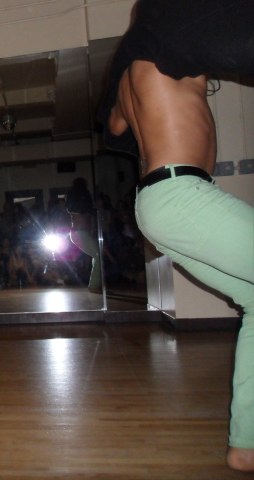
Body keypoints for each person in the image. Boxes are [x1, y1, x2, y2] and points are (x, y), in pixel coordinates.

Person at [99, 0, 254, 471]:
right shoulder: (167, 42)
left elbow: (115, 125)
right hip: (181, 192)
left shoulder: (134, 72)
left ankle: (246, 444)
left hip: (159, 200)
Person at [65, 177, 101, 293]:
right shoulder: (82, 200)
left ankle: (96, 283)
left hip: (77, 232)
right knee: (98, 255)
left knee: (97, 255)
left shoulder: (75, 202)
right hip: (79, 233)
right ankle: (94, 285)